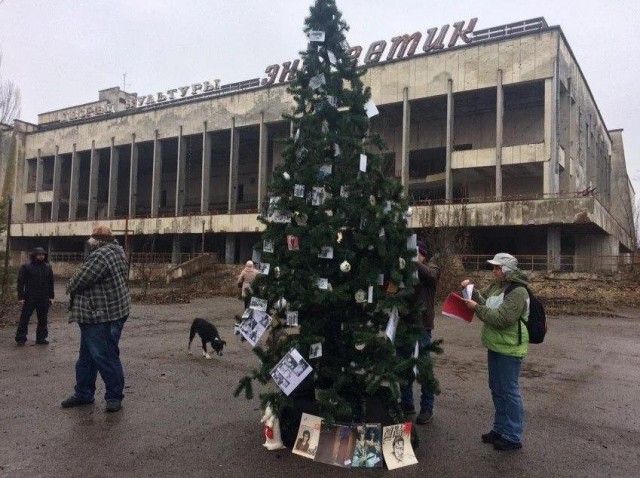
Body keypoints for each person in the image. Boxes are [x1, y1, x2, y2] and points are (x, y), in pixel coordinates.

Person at [461, 253, 530, 451]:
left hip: (510, 346)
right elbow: (483, 301)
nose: (494, 271)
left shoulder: (518, 291)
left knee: (510, 391)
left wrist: (476, 308)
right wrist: (470, 291)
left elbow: (502, 318)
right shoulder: (496, 286)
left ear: (507, 269)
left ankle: (513, 435)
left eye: (497, 268)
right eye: (493, 268)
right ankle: (499, 429)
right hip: (495, 344)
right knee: (497, 388)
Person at [61, 225, 130, 413]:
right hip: (100, 314)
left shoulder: (101, 255)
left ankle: (114, 396)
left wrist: (70, 283)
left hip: (101, 315)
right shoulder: (117, 251)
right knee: (87, 357)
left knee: (104, 356)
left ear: (96, 240)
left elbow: (78, 281)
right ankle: (83, 393)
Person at [400, 241, 440, 424]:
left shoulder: (432, 268)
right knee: (404, 366)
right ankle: (407, 405)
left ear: (423, 255)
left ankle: (427, 408)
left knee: (424, 368)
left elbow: (431, 276)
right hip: (404, 324)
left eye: (417, 254)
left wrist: (413, 260)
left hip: (422, 326)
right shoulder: (405, 271)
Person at [15, 247, 54, 345]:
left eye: (43, 254)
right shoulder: (26, 267)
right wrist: (20, 297)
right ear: (34, 255)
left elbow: (51, 283)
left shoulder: (48, 267)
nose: (41, 256)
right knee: (25, 318)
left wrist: (51, 297)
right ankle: (20, 338)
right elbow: (20, 283)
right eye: (39, 254)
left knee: (43, 319)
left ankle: (41, 338)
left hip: (43, 298)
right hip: (30, 297)